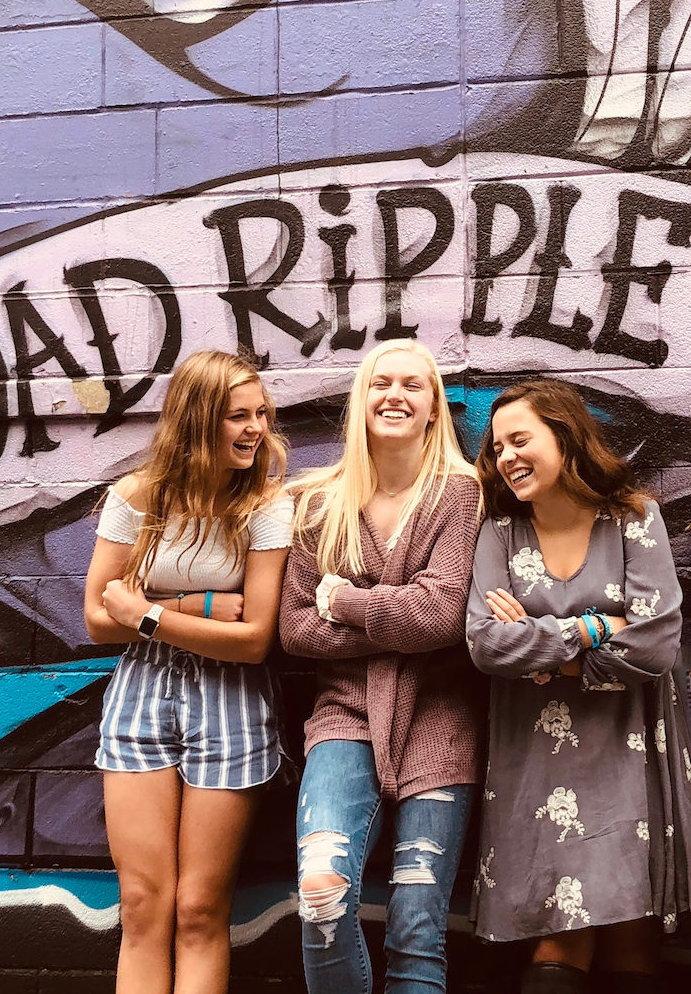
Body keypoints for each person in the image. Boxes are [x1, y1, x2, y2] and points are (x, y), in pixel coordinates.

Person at [466, 379, 689, 994]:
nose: (505, 456)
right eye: (497, 446)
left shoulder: (633, 518)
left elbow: (655, 643)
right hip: (535, 760)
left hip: (628, 752)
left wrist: (540, 654)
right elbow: (486, 643)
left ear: (564, 437)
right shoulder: (500, 533)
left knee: (629, 930)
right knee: (556, 926)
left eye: (520, 440)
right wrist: (595, 627)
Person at [83, 349, 294, 994]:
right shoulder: (138, 497)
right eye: (238, 415)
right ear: (199, 421)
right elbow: (97, 620)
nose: (256, 428)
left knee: (200, 911)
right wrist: (192, 608)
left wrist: (145, 612)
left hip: (230, 703)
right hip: (142, 696)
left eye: (261, 414)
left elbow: (254, 638)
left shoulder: (265, 506)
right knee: (144, 906)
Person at [279, 338, 485, 994]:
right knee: (320, 891)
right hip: (344, 718)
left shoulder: (462, 495)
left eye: (413, 385)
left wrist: (342, 598)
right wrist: (400, 621)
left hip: (440, 721)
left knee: (418, 927)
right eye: (380, 382)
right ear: (360, 401)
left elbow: (443, 616)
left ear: (434, 409)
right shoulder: (317, 503)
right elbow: (294, 628)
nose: (395, 394)